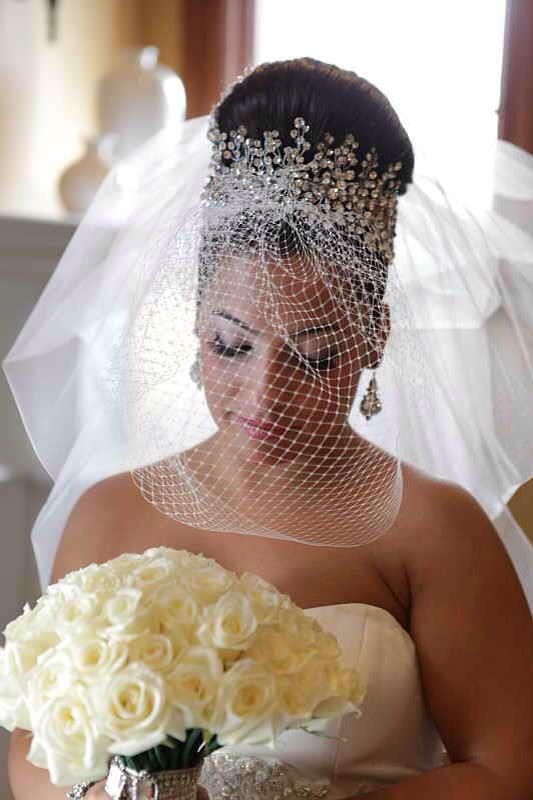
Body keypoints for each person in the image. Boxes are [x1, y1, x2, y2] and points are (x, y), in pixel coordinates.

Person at [5, 59, 533, 799]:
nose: (265, 393)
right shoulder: (108, 510)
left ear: (373, 337)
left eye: (314, 356)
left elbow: (508, 770)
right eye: (230, 344)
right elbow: (33, 752)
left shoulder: (430, 529)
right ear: (193, 324)